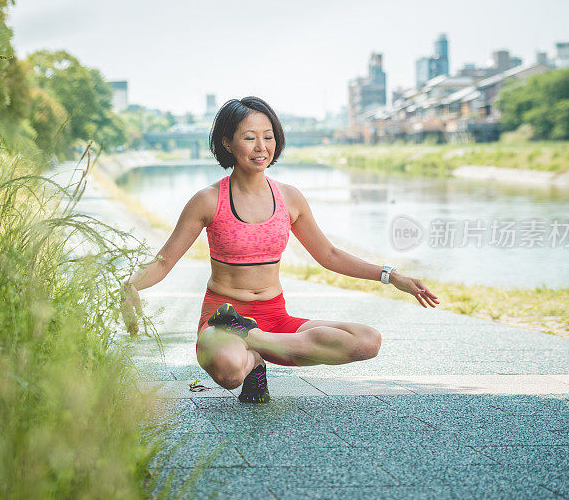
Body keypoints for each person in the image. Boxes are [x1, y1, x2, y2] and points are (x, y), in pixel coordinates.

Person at [120, 96, 439, 403]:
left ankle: (254, 341)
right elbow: (163, 262)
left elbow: (329, 255)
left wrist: (391, 276)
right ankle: (251, 360)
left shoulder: (289, 198)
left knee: (368, 341)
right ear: (227, 143)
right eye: (249, 138)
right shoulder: (207, 200)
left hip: (275, 318)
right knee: (230, 370)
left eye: (268, 136)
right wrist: (131, 285)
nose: (261, 147)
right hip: (221, 320)